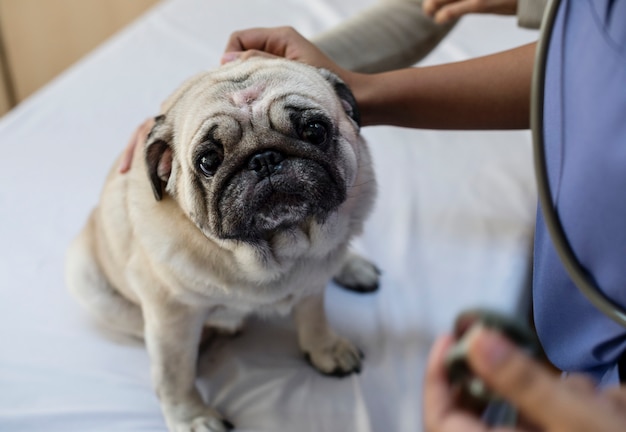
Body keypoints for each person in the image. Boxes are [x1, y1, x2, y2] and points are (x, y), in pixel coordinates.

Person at [216, 0, 626, 431]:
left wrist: (354, 93)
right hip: (584, 330)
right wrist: (235, 89)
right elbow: (583, 52)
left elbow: (588, 73)